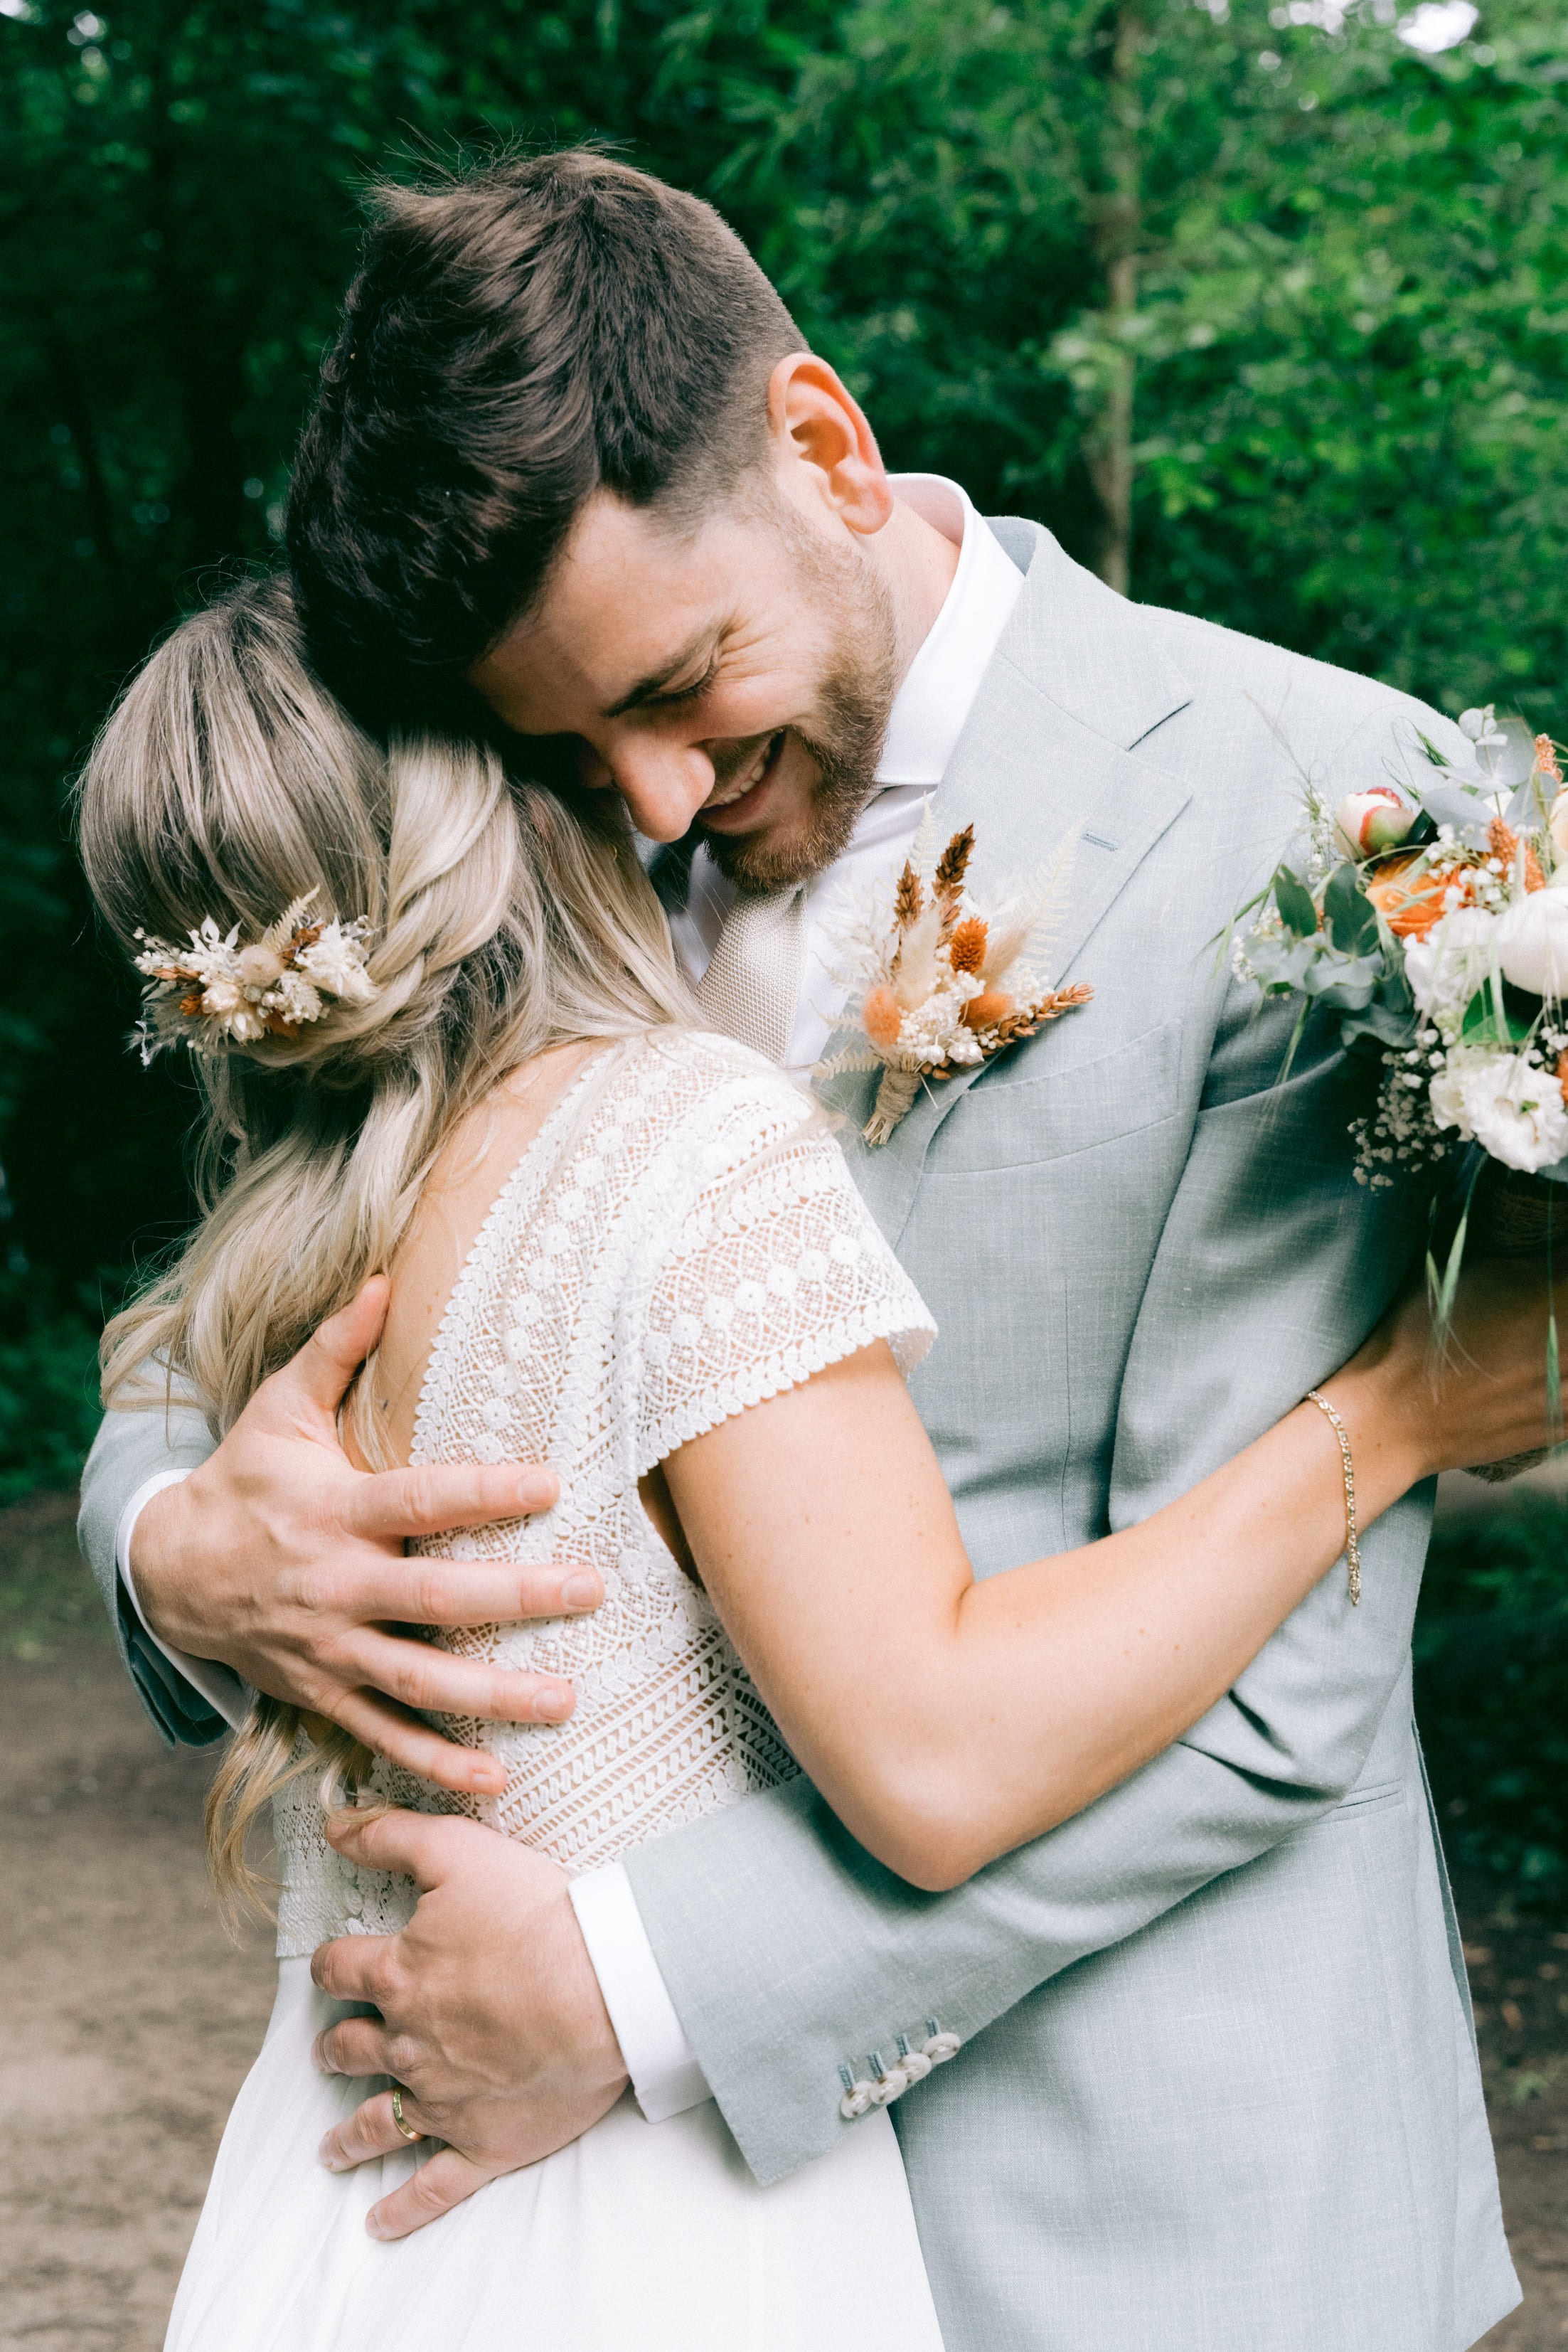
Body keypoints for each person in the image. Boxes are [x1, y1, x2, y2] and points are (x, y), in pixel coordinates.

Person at [77, 153, 1527, 2349]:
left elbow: (1278, 1681)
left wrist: (644, 1987)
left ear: (826, 448)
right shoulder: (524, 800)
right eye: (573, 750)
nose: (651, 802)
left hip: (1141, 2214)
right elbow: (258, 1264)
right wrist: (178, 1544)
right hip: (651, 2253)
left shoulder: (1315, 818)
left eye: (684, 689)